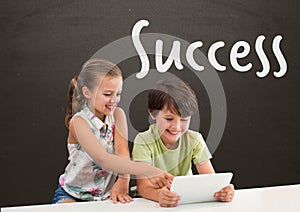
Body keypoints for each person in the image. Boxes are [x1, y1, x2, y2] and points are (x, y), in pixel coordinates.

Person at [52, 59, 173, 204]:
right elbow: (102, 159)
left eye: (118, 94)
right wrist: (147, 170)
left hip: (105, 196)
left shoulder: (117, 115)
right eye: (108, 94)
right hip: (72, 195)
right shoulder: (78, 122)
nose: (114, 100)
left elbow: (122, 150)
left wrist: (124, 178)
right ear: (87, 93)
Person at [132, 78, 235, 207]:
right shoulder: (143, 140)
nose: (176, 127)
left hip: (185, 202)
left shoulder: (194, 139)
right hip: (150, 203)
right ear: (153, 113)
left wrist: (222, 191)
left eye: (184, 120)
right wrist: (159, 195)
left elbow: (210, 179)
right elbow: (143, 187)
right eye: (169, 118)